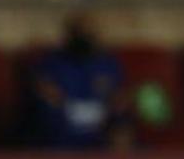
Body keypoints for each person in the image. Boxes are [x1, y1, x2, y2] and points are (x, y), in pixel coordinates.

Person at [27, 10, 130, 151]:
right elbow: (48, 96)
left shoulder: (108, 64)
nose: (85, 37)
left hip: (101, 131)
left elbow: (118, 98)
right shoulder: (51, 63)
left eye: (89, 32)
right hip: (62, 130)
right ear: (69, 33)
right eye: (80, 32)